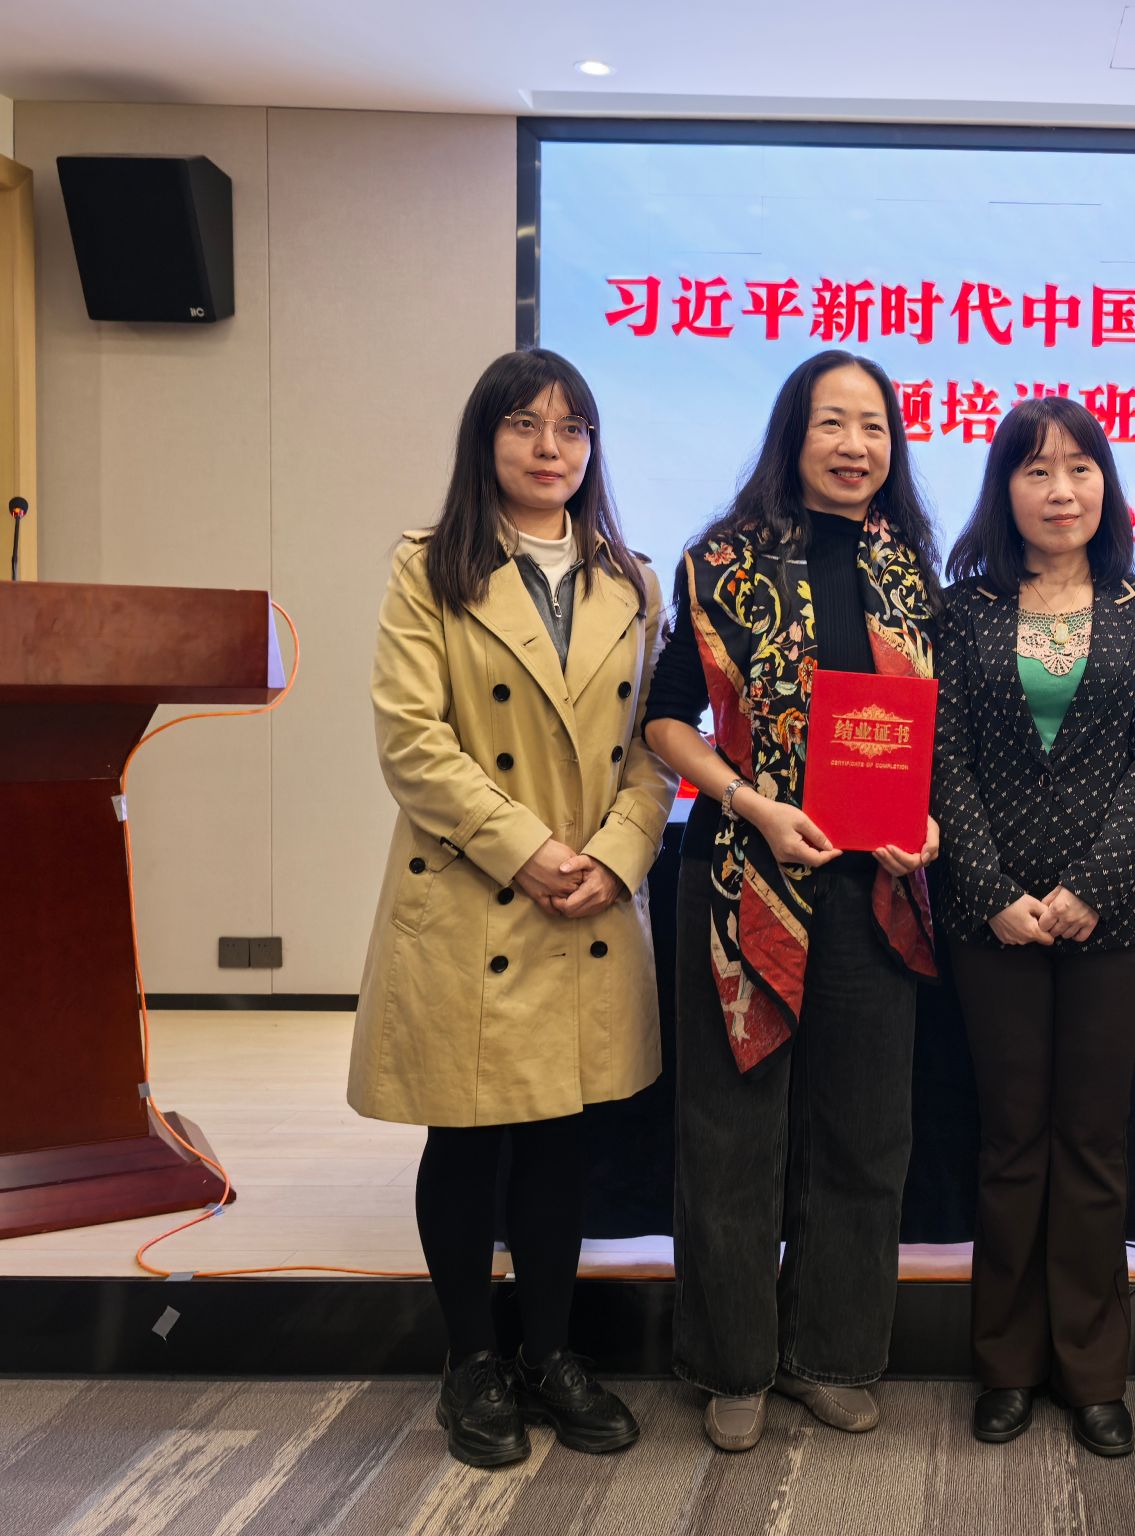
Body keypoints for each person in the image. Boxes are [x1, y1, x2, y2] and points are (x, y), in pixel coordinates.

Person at [350, 348, 678, 1468]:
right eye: (525, 425)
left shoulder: (632, 580)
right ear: (484, 439)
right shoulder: (429, 568)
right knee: (466, 1137)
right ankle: (468, 1363)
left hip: (588, 899)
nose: (551, 449)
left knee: (558, 1144)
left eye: (572, 428)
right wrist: (529, 850)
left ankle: (549, 1354)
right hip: (475, 894)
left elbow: (653, 751)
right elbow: (413, 742)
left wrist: (617, 857)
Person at [642, 350, 943, 1453]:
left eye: (873, 425)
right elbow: (665, 720)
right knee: (731, 1134)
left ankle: (833, 1354)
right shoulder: (720, 560)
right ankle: (731, 1364)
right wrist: (750, 804)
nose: (855, 445)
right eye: (832, 422)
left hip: (877, 891)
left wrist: (929, 826)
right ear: (793, 434)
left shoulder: (910, 567)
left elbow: (936, 729)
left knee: (864, 1135)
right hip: (744, 876)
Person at [932, 396, 1135, 1458]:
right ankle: (1003, 1365)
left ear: (1105, 485)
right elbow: (941, 758)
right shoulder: (959, 610)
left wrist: (1088, 885)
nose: (1060, 489)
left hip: (1113, 916)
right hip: (986, 914)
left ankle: (1091, 1373)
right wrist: (990, 888)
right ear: (1005, 490)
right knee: (1008, 1141)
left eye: (1080, 468)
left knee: (1091, 1141)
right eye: (1035, 471)